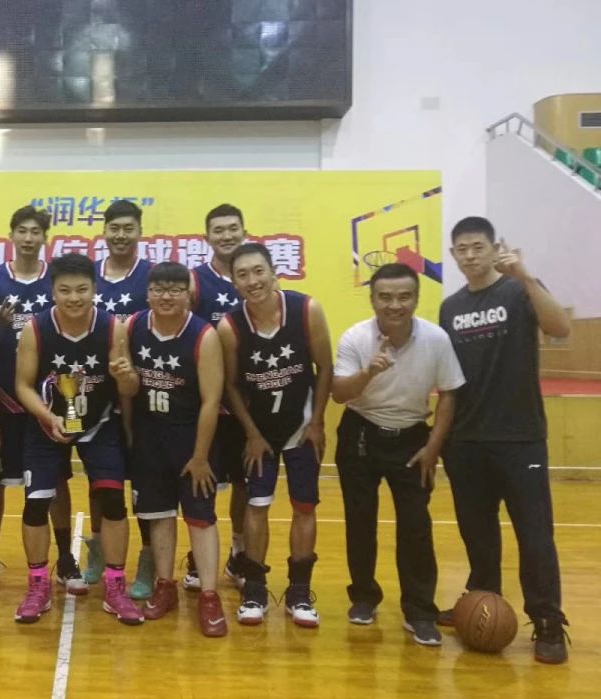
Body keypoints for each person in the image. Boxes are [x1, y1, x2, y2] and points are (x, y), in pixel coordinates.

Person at [438, 216, 572, 664]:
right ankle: (482, 602)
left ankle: (547, 619)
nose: (470, 255)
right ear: (453, 255)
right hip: (466, 440)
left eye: (478, 246)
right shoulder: (451, 308)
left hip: (520, 438)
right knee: (478, 534)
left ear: (495, 249)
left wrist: (526, 276)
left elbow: (560, 328)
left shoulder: (518, 291)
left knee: (535, 536)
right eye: (462, 249)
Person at [331, 263, 464, 647]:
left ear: (416, 299)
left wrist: (433, 447)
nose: (395, 305)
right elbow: (339, 394)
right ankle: (363, 597)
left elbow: (449, 393)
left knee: (415, 525)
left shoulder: (436, 339)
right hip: (360, 431)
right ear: (373, 299)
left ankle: (420, 611)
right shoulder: (356, 337)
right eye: (385, 297)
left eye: (404, 296)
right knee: (360, 520)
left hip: (412, 437)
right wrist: (368, 373)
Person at [13, 252, 142, 625]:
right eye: (65, 290)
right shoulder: (36, 328)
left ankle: (115, 586)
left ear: (94, 289)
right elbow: (22, 386)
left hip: (98, 423)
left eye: (82, 289)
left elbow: (129, 389)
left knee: (113, 502)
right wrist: (47, 415)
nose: (74, 297)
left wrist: (125, 377)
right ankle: (38, 584)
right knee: (36, 505)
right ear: (53, 291)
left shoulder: (113, 328)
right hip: (47, 424)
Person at [219, 243, 332, 627]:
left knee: (305, 506)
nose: (252, 281)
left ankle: (299, 591)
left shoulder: (306, 310)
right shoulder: (230, 327)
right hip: (260, 433)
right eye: (242, 275)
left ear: (273, 272)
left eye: (258, 271)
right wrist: (251, 433)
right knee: (257, 504)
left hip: (301, 426)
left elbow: (325, 367)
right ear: (234, 282)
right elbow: (231, 385)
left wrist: (317, 422)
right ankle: (255, 588)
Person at [0, 206, 82, 595]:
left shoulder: (54, 279)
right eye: (21, 230)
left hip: (49, 403)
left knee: (56, 482)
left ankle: (65, 558)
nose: (27, 237)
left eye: (35, 231)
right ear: (11, 235)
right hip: (4, 400)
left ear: (44, 238)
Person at [127, 261, 228, 637]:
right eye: (159, 289)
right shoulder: (133, 326)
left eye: (175, 289)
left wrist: (200, 457)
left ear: (189, 294)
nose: (166, 296)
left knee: (200, 517)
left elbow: (211, 400)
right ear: (148, 293)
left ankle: (209, 596)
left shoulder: (204, 335)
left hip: (192, 438)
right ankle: (165, 585)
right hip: (150, 437)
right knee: (159, 515)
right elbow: (128, 388)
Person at [86, 200, 155, 599]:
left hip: (142, 393)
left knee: (144, 483)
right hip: (95, 394)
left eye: (128, 228)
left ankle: (147, 559)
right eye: (114, 228)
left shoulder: (150, 276)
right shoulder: (90, 276)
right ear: (105, 231)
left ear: (139, 232)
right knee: (102, 483)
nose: (121, 235)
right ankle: (98, 550)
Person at [187, 203, 248, 591]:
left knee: (244, 484)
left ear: (244, 231)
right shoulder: (195, 282)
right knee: (203, 479)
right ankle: (198, 555)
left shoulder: (255, 276)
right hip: (206, 403)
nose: (227, 235)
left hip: (248, 404)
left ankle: (239, 551)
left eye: (232, 228)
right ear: (207, 237)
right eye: (219, 230)